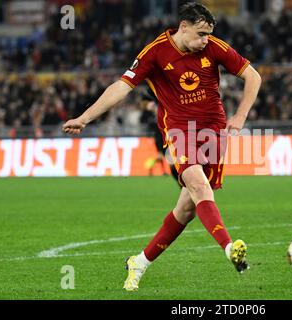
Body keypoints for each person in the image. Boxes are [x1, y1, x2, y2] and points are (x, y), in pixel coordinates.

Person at [62, 2, 261, 291]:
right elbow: (121, 87)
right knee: (199, 186)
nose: (205, 40)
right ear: (183, 27)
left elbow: (252, 75)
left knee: (186, 210)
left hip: (215, 132)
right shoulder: (155, 52)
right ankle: (230, 248)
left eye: (208, 34)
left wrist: (240, 115)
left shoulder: (213, 47)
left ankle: (139, 262)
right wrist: (85, 117)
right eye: (201, 33)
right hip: (179, 131)